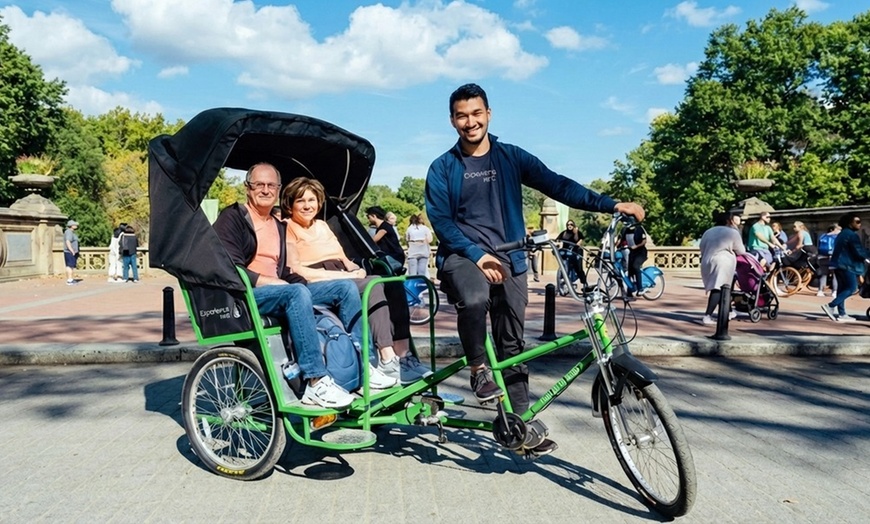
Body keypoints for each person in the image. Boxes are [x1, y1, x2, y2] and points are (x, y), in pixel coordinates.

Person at [425, 83, 645, 457]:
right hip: (464, 257)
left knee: (512, 343)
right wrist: (478, 255)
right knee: (475, 298)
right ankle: (479, 370)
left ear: (488, 114)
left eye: (476, 113)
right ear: (452, 120)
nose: (470, 122)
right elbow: (441, 222)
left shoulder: (510, 157)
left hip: (511, 257)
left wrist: (610, 205)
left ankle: (520, 424)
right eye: (462, 116)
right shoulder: (443, 168)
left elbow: (557, 184)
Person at [213, 162, 395, 409]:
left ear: (278, 189)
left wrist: (302, 285)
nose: (265, 190)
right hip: (248, 294)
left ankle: (364, 368)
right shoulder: (233, 217)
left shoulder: (277, 225)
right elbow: (229, 267)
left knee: (346, 287)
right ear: (248, 188)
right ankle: (315, 381)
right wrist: (275, 282)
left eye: (271, 185)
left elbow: (288, 269)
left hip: (282, 290)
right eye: (259, 185)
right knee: (296, 292)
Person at [281, 177, 432, 384]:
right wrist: (344, 275)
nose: (307, 206)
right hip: (319, 279)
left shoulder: (323, 225)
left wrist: (356, 268)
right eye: (300, 201)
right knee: (374, 284)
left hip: (343, 273)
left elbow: (343, 257)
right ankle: (386, 358)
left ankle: (403, 355)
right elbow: (296, 268)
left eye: (312, 200)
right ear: (290, 204)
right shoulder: (287, 226)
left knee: (391, 282)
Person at [820, 213, 870, 322]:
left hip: (837, 264)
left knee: (842, 288)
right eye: (857, 222)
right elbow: (858, 250)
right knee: (852, 288)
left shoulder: (842, 234)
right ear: (849, 223)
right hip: (847, 265)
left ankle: (842, 313)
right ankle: (830, 306)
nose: (860, 224)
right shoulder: (851, 235)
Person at [699, 211, 746, 325]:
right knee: (718, 288)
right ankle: (707, 315)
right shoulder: (732, 232)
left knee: (723, 288)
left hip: (707, 260)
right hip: (723, 261)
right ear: (728, 221)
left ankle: (728, 311)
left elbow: (701, 247)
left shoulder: (708, 231)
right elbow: (741, 251)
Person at [555, 220, 587, 289]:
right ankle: (562, 280)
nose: (569, 226)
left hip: (576, 252)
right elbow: (559, 241)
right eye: (568, 224)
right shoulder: (564, 233)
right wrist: (557, 246)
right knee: (564, 262)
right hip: (567, 252)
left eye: (571, 224)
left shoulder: (577, 233)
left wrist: (576, 235)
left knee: (579, 268)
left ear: (574, 225)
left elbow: (580, 241)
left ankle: (584, 283)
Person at [622, 220, 648, 299]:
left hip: (641, 252)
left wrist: (636, 246)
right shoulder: (625, 230)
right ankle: (630, 291)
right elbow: (621, 240)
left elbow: (644, 241)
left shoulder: (639, 229)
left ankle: (640, 289)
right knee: (630, 271)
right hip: (632, 252)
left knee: (636, 266)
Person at [405, 214, 433, 278]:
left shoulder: (409, 228)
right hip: (423, 250)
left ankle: (412, 285)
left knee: (412, 272)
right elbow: (430, 239)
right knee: (422, 272)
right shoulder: (425, 228)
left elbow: (407, 240)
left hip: (412, 250)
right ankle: (421, 285)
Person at [816, 224, 840, 297]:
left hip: (822, 257)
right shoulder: (837, 237)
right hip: (833, 257)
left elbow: (818, 246)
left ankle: (820, 291)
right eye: (839, 229)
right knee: (835, 275)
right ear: (834, 229)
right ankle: (834, 291)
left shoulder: (823, 236)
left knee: (823, 274)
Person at [63, 220, 80, 285]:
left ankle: (71, 279)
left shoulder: (72, 232)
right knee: (70, 266)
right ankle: (69, 280)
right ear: (71, 226)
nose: (76, 225)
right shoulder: (69, 232)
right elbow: (68, 241)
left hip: (72, 252)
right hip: (69, 252)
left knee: (71, 266)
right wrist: (71, 250)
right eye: (75, 225)